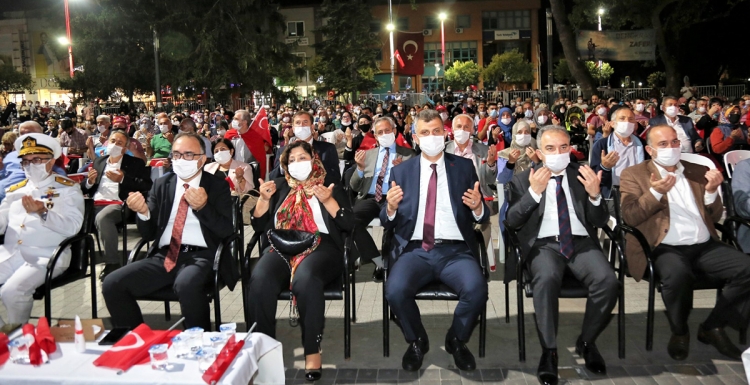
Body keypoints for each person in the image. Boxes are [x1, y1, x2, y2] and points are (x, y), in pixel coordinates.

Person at [619, 125, 750, 361]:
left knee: (747, 268)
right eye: (663, 144)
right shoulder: (634, 174)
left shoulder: (698, 170)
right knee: (677, 274)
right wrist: (655, 193)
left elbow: (714, 214)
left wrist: (711, 192)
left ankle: (713, 325)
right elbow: (630, 216)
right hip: (663, 246)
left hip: (704, 244)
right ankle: (680, 331)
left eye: (675, 142)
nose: (672, 148)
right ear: (649, 149)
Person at [506, 126, 618, 384]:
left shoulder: (582, 174)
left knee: (608, 281)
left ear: (571, 149)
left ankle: (587, 341)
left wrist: (594, 195)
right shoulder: (524, 179)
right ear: (539, 153)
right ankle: (550, 351)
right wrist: (534, 193)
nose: (558, 153)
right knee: (545, 279)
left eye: (563, 147)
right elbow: (511, 221)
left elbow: (600, 221)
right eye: (550, 148)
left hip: (580, 243)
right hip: (543, 246)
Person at [380, 109, 489, 372]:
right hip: (414, 250)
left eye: (437, 131)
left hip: (456, 250)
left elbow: (481, 211)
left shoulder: (463, 167)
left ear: (445, 133)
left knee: (476, 290)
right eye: (425, 133)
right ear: (415, 137)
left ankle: (457, 339)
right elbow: (386, 220)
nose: (432, 137)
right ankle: (417, 339)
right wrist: (391, 209)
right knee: (394, 291)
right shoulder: (402, 171)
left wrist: (478, 208)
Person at [103, 132, 237, 331]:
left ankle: (198, 341)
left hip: (202, 256)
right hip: (164, 256)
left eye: (188, 155)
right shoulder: (162, 184)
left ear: (201, 159)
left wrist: (203, 207)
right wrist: (143, 213)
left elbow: (227, 230)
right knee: (112, 283)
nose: (181, 159)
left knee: (187, 284)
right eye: (176, 154)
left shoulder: (216, 185)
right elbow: (148, 235)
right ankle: (136, 338)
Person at [246, 141, 354, 382]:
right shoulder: (279, 186)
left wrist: (329, 201)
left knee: (306, 280)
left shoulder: (329, 185)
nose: (297, 163)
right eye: (291, 160)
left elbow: (348, 225)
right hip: (282, 245)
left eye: (302, 157)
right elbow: (258, 226)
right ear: (285, 165)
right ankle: (262, 348)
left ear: (314, 159)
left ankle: (312, 349)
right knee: (260, 279)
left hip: (322, 246)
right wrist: (263, 200)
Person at [0, 133, 84, 332]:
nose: (31, 165)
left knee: (11, 292)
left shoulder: (67, 189)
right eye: (26, 161)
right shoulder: (15, 190)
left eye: (37, 159)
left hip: (47, 254)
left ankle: (20, 336)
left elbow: (74, 226)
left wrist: (43, 212)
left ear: (52, 160)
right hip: (11, 252)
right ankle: (6, 335)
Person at [349, 117, 415, 280]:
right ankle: (379, 262)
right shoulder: (367, 154)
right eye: (380, 132)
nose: (384, 134)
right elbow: (354, 186)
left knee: (391, 222)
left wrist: (402, 171)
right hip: (370, 198)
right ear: (375, 136)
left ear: (394, 131)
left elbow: (414, 185)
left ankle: (388, 264)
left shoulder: (408, 154)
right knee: (350, 220)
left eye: (387, 131)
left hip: (393, 197)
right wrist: (359, 169)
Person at [82, 130, 152, 281]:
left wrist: (123, 179)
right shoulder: (99, 162)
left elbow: (146, 185)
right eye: (112, 141)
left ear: (125, 148)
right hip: (95, 203)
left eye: (119, 143)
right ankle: (74, 260)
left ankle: (112, 263)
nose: (114, 145)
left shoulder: (135, 163)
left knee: (103, 218)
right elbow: (84, 187)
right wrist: (89, 182)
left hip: (120, 203)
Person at [0, 122, 67, 203]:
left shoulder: (48, 156)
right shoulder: (10, 156)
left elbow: (60, 181)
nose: (26, 136)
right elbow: (3, 174)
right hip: (5, 195)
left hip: (27, 198)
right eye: (22, 133)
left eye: (29, 133)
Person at [270, 111, 340, 186]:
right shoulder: (283, 151)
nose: (301, 126)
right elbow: (273, 178)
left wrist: (316, 169)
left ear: (312, 127)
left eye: (305, 122)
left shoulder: (328, 149)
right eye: (298, 123)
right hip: (291, 193)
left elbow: (336, 177)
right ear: (293, 128)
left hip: (320, 192)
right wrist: (283, 165)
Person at [590, 107, 646, 199]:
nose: (627, 122)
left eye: (631, 119)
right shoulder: (602, 145)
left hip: (639, 193)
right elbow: (595, 176)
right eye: (622, 118)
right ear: (612, 123)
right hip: (613, 194)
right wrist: (605, 167)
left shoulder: (642, 144)